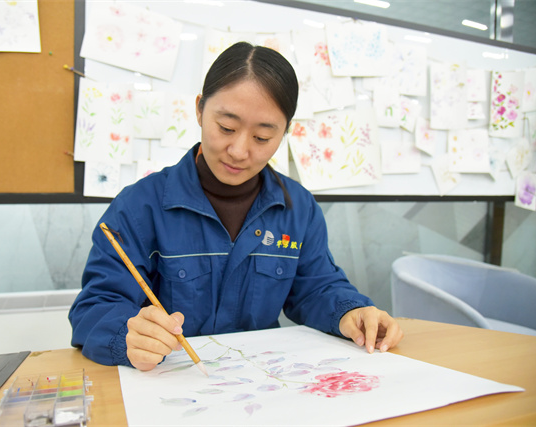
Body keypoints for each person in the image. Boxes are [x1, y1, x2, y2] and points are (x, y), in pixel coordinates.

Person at [69, 41, 403, 371]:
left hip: (262, 380)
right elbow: (95, 308)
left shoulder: (298, 209)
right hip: (170, 382)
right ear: (199, 110)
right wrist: (127, 335)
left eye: (262, 138)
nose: (240, 151)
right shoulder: (139, 206)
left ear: (285, 132)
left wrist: (350, 312)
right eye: (226, 128)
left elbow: (316, 288)